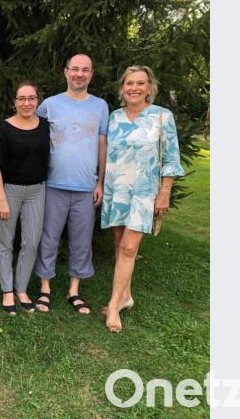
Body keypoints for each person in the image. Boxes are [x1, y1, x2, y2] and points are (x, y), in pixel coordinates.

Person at [101, 65, 184, 332]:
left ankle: (113, 307)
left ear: (149, 87)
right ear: (122, 88)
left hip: (144, 193)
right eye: (129, 83)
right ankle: (125, 296)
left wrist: (165, 191)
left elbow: (171, 158)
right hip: (117, 189)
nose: (134, 88)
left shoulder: (162, 116)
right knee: (119, 243)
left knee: (128, 248)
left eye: (140, 83)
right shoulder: (114, 117)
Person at [32, 53, 109, 315]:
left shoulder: (100, 106)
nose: (79, 74)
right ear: (65, 72)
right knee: (49, 237)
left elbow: (101, 143)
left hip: (86, 187)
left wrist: (100, 181)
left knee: (81, 240)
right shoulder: (49, 105)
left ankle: (74, 291)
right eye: (74, 69)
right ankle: (45, 288)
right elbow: (35, 138)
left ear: (91, 74)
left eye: (85, 70)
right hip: (53, 184)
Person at [0, 82, 50, 315]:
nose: (27, 103)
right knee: (5, 242)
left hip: (36, 190)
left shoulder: (45, 126)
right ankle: (7, 290)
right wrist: (1, 199)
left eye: (31, 98)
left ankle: (21, 289)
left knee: (31, 242)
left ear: (37, 100)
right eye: (22, 98)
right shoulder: (4, 128)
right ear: (14, 101)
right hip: (9, 190)